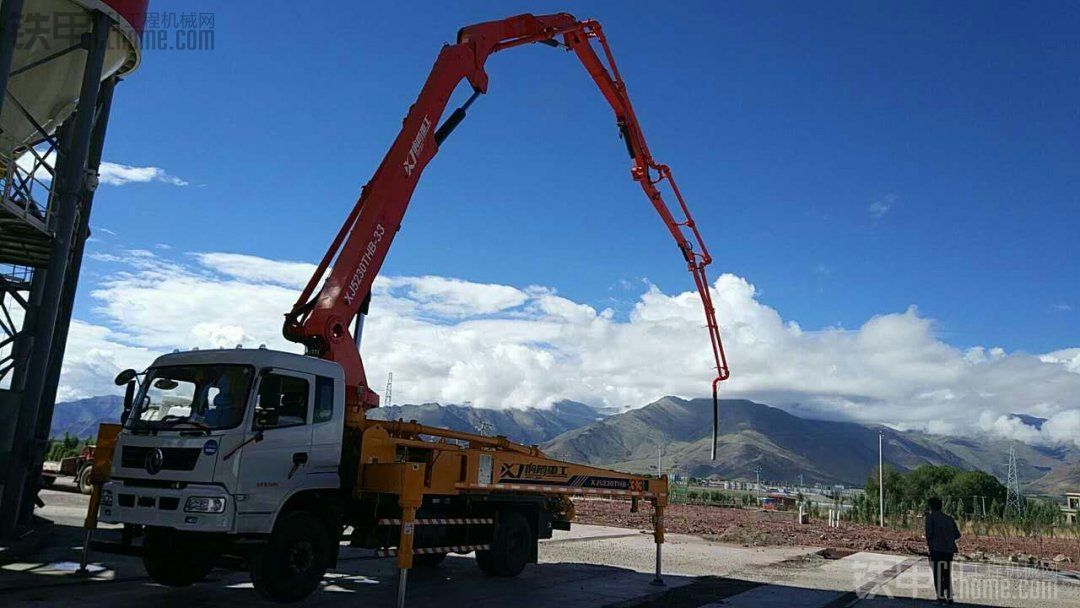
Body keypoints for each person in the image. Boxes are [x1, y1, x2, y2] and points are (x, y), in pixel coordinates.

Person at [925, 496, 961, 604]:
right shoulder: (949, 518)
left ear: (931, 507)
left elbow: (929, 534)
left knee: (937, 574)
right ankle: (949, 597)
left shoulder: (930, 518)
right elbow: (957, 534)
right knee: (946, 573)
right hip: (949, 550)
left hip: (936, 549)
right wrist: (948, 539)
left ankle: (940, 598)